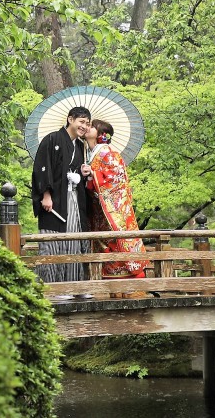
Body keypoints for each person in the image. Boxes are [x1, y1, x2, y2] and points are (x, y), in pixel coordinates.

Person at [84, 119, 149, 296]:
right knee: (106, 242)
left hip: (114, 207)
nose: (86, 128)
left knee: (119, 240)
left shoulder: (107, 152)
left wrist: (93, 174)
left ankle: (131, 287)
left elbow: (116, 178)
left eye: (91, 126)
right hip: (100, 207)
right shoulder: (90, 153)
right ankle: (113, 287)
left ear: (100, 134)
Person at [31, 106, 93, 291]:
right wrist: (46, 195)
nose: (84, 126)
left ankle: (74, 288)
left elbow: (78, 172)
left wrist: (83, 174)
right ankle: (51, 289)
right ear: (70, 119)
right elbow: (42, 168)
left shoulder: (80, 146)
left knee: (74, 241)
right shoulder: (52, 139)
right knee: (53, 244)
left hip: (74, 199)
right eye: (81, 122)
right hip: (55, 200)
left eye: (87, 124)